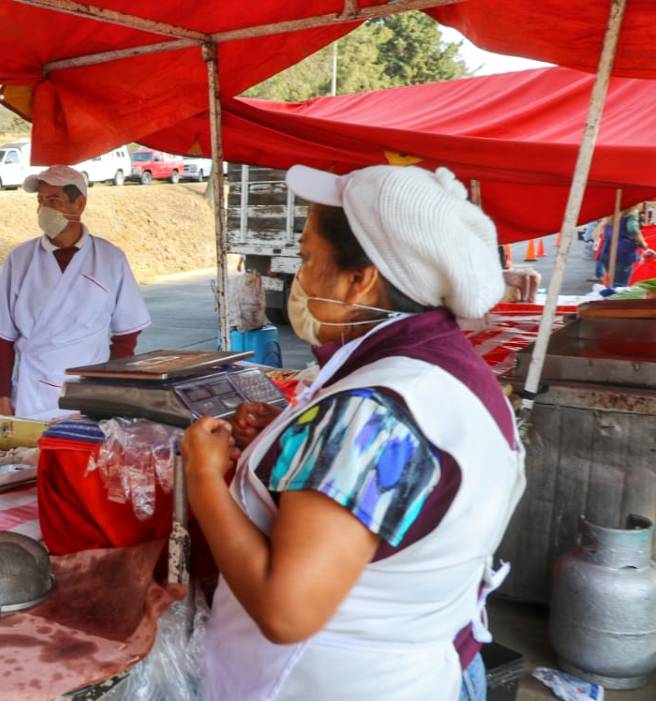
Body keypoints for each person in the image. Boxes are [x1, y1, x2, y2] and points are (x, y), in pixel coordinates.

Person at [183, 164, 526, 701]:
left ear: (359, 279)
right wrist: (299, 446)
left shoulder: (372, 413)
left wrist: (203, 476)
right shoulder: (448, 370)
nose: (301, 277)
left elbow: (285, 610)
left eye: (309, 259)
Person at [0, 165, 151, 417]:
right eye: (40, 200)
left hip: (89, 390)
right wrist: (1, 395)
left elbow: (127, 332)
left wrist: (109, 381)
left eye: (54, 200)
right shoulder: (20, 258)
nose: (44, 208)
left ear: (79, 204)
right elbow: (3, 335)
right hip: (31, 390)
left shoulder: (110, 258)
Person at [596, 206, 656, 286]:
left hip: (607, 252)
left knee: (612, 282)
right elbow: (632, 229)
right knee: (620, 285)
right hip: (623, 253)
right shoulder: (631, 213)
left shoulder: (611, 214)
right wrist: (643, 244)